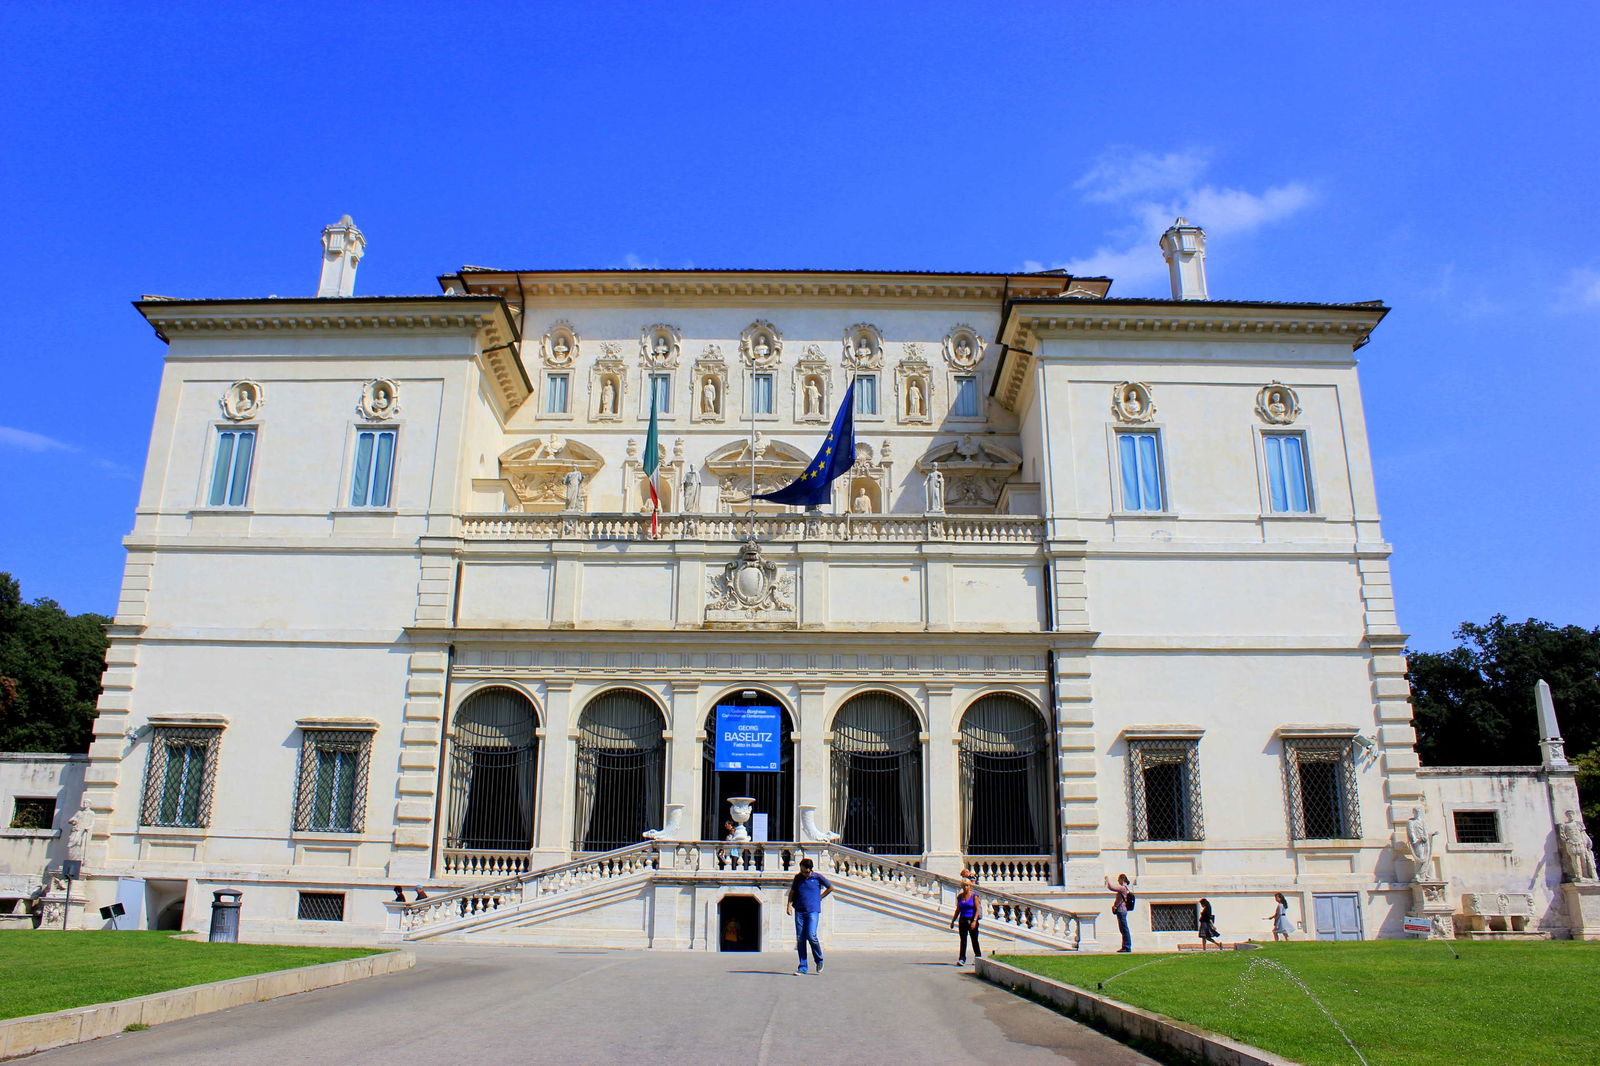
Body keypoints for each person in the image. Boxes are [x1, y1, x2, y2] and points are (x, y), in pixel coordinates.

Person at [786, 857, 833, 974]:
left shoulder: (817, 877)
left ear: (810, 870)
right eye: (802, 871)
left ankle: (819, 959)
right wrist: (789, 905)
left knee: (811, 935)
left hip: (813, 910)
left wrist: (820, 897)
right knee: (800, 938)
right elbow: (792, 892)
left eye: (806, 872)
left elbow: (830, 887)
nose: (804, 874)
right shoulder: (798, 878)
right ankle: (803, 966)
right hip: (800, 910)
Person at [950, 880, 982, 965]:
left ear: (970, 886)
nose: (965, 887)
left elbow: (978, 909)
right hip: (962, 920)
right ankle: (962, 958)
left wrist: (974, 921)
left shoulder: (974, 896)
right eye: (964, 886)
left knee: (974, 939)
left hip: (971, 919)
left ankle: (978, 956)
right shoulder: (960, 896)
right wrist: (953, 920)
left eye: (967, 885)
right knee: (963, 940)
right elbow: (958, 909)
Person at [1106, 873, 1133, 952]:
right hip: (1120, 910)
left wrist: (1107, 880)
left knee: (1124, 929)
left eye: (1119, 879)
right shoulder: (1125, 888)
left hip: (1122, 910)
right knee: (1123, 929)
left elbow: (1111, 887)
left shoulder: (1123, 888)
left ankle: (1127, 946)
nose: (1118, 881)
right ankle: (1125, 946)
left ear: (1122, 879)